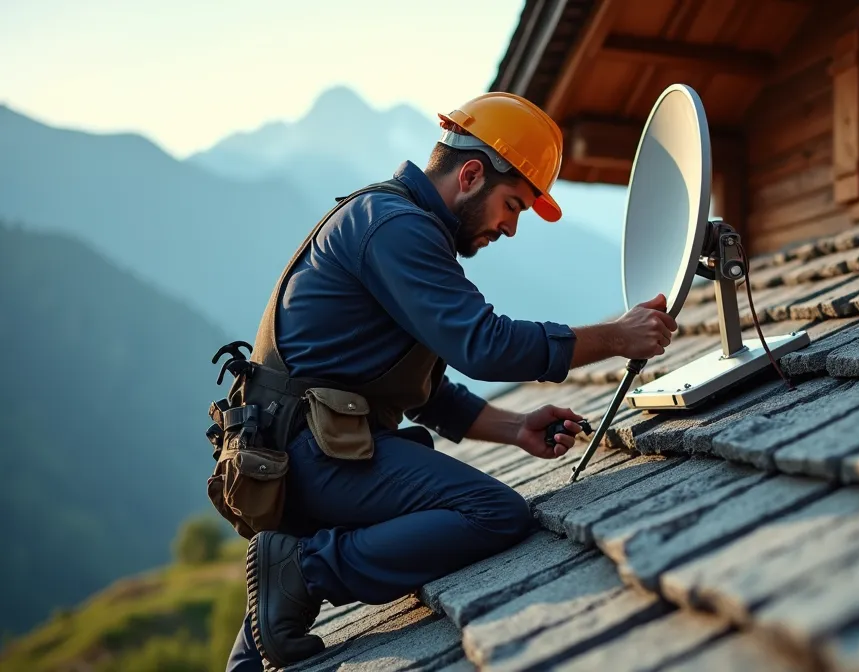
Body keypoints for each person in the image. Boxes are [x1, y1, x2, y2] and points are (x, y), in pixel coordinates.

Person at [211, 92, 677, 671]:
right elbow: (483, 344)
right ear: (472, 173)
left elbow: (424, 390)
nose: (509, 228)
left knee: (258, 653)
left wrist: (515, 428)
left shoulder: (394, 223)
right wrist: (615, 336)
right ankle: (306, 569)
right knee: (492, 513)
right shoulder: (396, 229)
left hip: (303, 453)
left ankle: (274, 609)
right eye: (512, 205)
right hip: (313, 457)